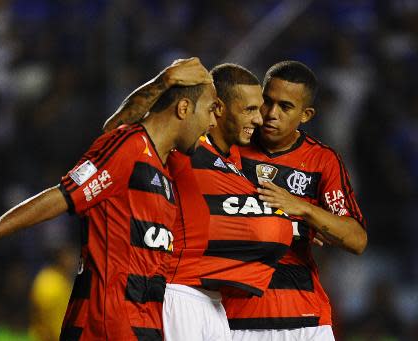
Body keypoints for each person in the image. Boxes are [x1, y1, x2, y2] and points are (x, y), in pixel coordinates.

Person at [0, 57, 218, 340]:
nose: (212, 121)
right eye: (209, 111)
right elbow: (62, 195)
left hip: (143, 327)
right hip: (104, 326)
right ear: (184, 108)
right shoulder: (129, 148)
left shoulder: (162, 167)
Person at [104, 63, 294, 341]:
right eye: (250, 110)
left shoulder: (236, 162)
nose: (259, 120)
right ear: (218, 108)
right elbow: (116, 133)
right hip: (181, 293)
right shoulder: (186, 147)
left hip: (214, 304)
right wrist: (162, 81)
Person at [224, 61, 367, 340]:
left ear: (306, 115)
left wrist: (303, 208)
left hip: (305, 317)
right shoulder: (232, 147)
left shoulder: (322, 160)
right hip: (237, 315)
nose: (271, 114)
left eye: (285, 107)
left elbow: (356, 239)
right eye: (267, 102)